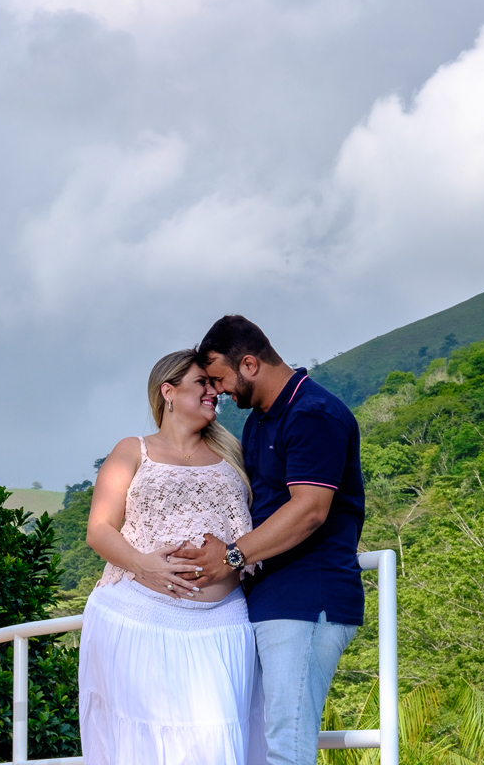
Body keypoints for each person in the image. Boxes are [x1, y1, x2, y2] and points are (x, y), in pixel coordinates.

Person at [178, 315, 366, 765]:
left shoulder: (313, 413)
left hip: (307, 599)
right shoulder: (260, 422)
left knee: (287, 746)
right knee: (260, 746)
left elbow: (309, 510)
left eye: (221, 378)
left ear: (249, 363)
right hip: (267, 601)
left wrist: (231, 556)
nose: (219, 391)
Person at [78, 348, 265, 765]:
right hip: (138, 619)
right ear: (168, 390)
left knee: (218, 745)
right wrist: (144, 564)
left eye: (215, 385)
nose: (213, 392)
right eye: (203, 383)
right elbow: (99, 529)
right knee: (140, 746)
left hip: (222, 627)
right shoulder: (133, 450)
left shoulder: (234, 455)